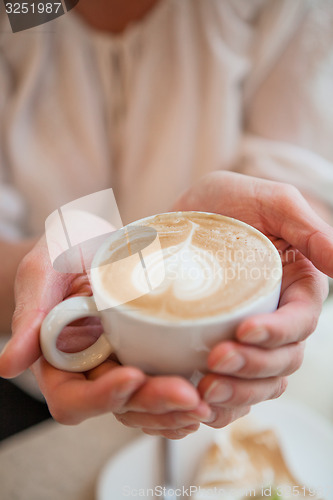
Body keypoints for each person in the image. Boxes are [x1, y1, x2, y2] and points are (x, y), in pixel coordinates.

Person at [0, 0, 332, 439]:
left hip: (219, 365)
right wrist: (40, 290)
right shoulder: (15, 17)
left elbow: (303, 169)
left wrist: (286, 231)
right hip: (37, 385)